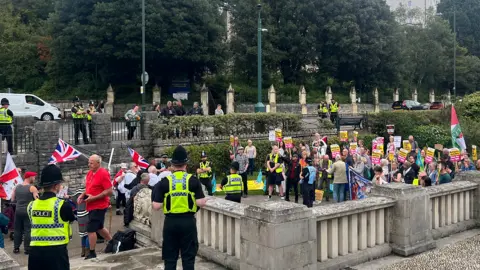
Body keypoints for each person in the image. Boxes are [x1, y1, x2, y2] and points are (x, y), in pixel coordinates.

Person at [152, 145, 208, 270]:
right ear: (185, 164)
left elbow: (156, 206)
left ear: (172, 165)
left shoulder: (165, 181)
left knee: (170, 257)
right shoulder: (193, 180)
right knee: (188, 258)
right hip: (188, 222)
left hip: (170, 222)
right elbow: (200, 203)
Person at [27, 164, 76, 270]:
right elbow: (71, 218)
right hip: (57, 253)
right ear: (56, 186)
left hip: (35, 253)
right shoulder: (62, 205)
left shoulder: (31, 205)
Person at [77, 155, 113, 259]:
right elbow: (88, 188)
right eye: (89, 162)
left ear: (98, 163)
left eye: (91, 163)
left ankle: (92, 252)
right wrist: (82, 195)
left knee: (90, 229)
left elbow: (109, 191)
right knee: (99, 227)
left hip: (99, 205)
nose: (89, 165)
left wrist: (94, 198)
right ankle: (112, 242)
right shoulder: (89, 173)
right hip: (91, 204)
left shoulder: (103, 173)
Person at [11, 171, 38, 254]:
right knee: (27, 230)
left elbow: (12, 199)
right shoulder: (32, 188)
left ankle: (16, 248)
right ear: (29, 177)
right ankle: (27, 249)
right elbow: (37, 200)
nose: (34, 178)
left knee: (17, 230)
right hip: (27, 211)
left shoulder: (17, 187)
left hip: (18, 211)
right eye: (34, 177)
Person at [67, 188, 90, 257]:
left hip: (79, 215)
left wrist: (68, 196)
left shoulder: (77, 192)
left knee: (82, 234)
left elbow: (72, 199)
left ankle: (83, 252)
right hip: (86, 214)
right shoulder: (87, 191)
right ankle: (87, 251)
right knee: (88, 233)